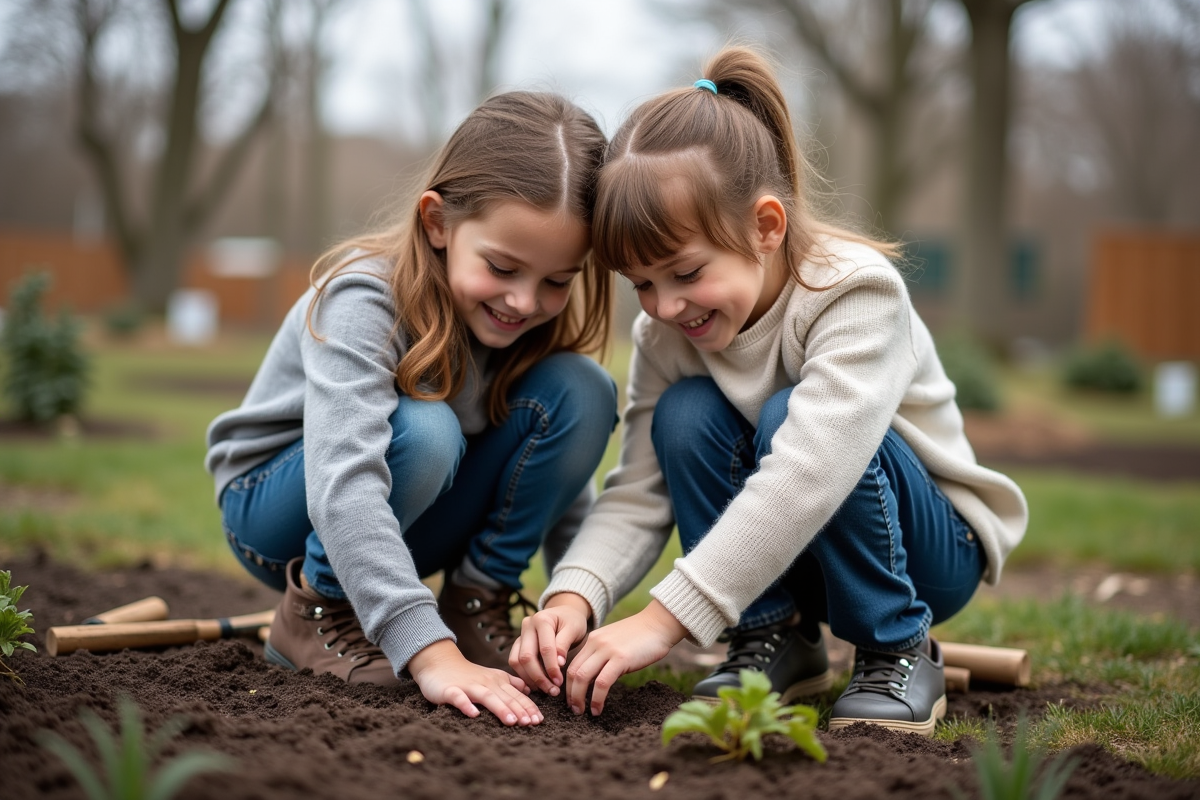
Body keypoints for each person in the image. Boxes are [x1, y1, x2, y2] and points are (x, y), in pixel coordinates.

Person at [509, 47, 1027, 737]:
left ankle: (897, 647)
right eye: (642, 283)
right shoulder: (669, 334)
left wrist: (663, 622)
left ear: (766, 227)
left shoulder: (854, 292)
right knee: (685, 416)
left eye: (686, 272)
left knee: (791, 417)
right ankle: (775, 637)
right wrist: (573, 598)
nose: (664, 306)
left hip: (926, 551)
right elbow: (637, 490)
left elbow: (810, 471)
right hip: (794, 552)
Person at [205, 91, 618, 728]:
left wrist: (573, 606)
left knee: (585, 388)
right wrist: (424, 651)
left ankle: (473, 603)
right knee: (424, 430)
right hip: (281, 510)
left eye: (557, 281)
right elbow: (344, 486)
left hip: (401, 510)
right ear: (437, 223)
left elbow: (560, 482)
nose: (524, 300)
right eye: (502, 266)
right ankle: (319, 609)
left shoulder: (522, 323)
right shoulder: (363, 298)